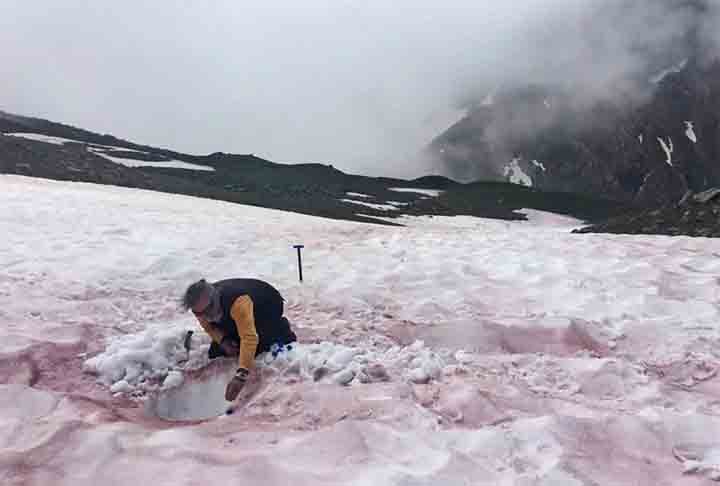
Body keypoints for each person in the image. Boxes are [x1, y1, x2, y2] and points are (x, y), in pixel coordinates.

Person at [181, 278, 297, 401]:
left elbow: (249, 338)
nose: (205, 316)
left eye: (208, 309)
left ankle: (281, 329)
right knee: (216, 352)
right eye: (199, 313)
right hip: (235, 314)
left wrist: (241, 375)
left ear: (215, 299)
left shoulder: (238, 302)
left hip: (266, 306)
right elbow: (209, 327)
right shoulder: (200, 307)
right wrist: (223, 341)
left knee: (258, 349)